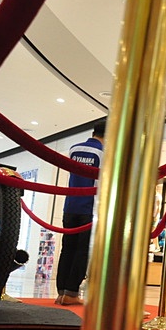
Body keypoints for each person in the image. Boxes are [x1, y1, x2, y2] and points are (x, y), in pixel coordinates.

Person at [55, 120, 105, 306]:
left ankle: (61, 292)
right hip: (89, 208)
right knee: (82, 250)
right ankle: (71, 293)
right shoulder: (104, 153)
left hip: (70, 206)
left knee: (67, 249)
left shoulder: (74, 149)